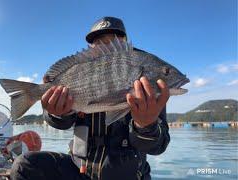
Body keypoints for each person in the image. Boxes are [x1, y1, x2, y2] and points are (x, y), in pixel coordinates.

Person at [10, 16, 170, 180]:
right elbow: (61, 124)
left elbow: (158, 146)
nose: (107, 45)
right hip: (79, 170)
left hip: (126, 175)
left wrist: (146, 125)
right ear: (91, 47)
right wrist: (57, 113)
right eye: (98, 41)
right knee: (24, 165)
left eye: (115, 39)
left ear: (125, 42)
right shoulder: (81, 69)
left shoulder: (149, 90)